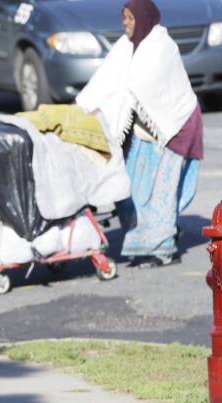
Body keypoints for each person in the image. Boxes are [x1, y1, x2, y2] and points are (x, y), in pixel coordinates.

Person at [77, 0, 203, 268]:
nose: (126, 24)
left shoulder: (161, 47)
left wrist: (106, 108)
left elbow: (134, 90)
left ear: (144, 18)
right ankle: (147, 239)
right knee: (131, 188)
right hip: (142, 131)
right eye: (124, 18)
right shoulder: (125, 47)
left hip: (172, 128)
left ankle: (160, 248)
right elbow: (104, 80)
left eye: (131, 18)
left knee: (159, 192)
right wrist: (82, 109)